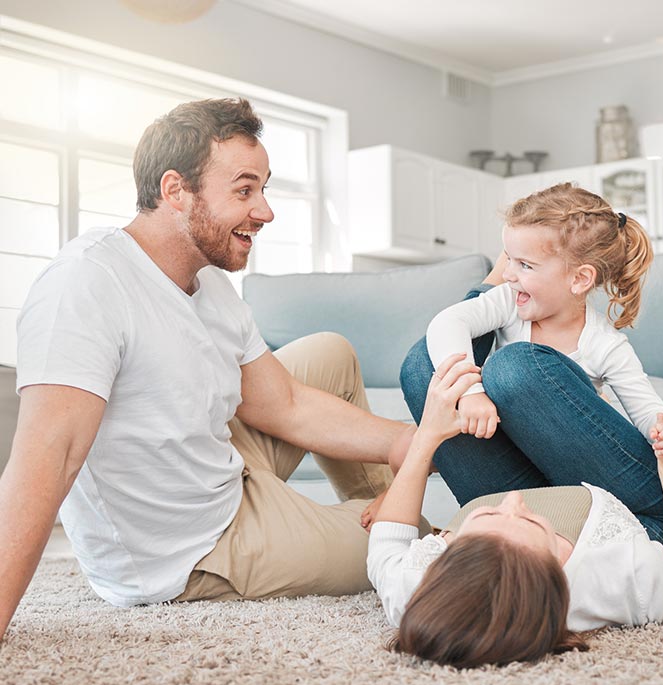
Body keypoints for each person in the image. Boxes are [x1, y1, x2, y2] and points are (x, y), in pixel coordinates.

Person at [0, 97, 407, 641]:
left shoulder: (210, 280)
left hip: (222, 468)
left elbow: (282, 404)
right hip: (194, 547)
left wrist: (408, 443)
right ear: (175, 191)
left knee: (329, 352)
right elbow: (50, 457)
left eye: (263, 188)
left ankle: (385, 505)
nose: (265, 210)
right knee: (416, 536)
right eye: (244, 190)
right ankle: (394, 529)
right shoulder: (86, 283)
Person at [383, 184, 663, 543]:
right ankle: (513, 532)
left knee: (511, 368)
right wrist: (471, 392)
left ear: (579, 279)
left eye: (525, 264)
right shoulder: (510, 302)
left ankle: (638, 532)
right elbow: (447, 324)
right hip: (530, 498)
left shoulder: (605, 344)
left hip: (602, 496)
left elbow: (645, 409)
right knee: (428, 366)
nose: (509, 274)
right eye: (508, 259)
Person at [367, 353, 663, 669]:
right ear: (558, 577)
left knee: (424, 369)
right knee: (516, 369)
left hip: (505, 491)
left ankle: (495, 292)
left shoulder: (416, 592)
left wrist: (426, 437)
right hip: (628, 505)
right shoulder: (627, 574)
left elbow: (387, 544)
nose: (514, 501)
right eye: (532, 522)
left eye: (487, 517)